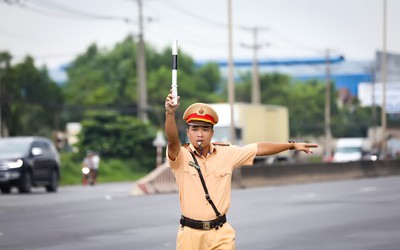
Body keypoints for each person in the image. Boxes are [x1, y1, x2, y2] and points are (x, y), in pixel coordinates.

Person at [165, 90, 318, 250]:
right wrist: (170, 114)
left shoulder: (226, 153)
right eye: (195, 129)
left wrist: (291, 145)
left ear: (212, 132)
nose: (200, 134)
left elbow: (258, 148)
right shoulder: (181, 156)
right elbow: (172, 141)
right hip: (190, 235)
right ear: (188, 132)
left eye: (205, 129)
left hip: (220, 233)